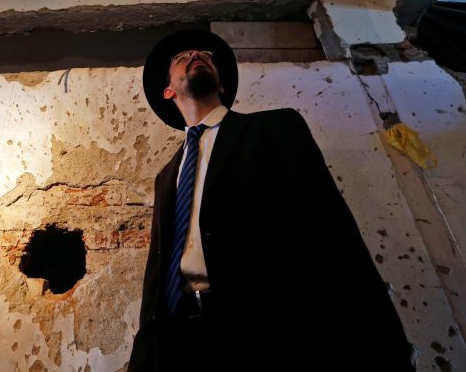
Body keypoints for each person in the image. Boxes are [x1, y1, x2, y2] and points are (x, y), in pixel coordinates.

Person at [128, 29, 414, 371]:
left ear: (221, 86)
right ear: (168, 91)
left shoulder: (275, 128)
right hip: (181, 342)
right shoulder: (165, 178)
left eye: (205, 54)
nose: (197, 55)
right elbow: (157, 274)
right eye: (182, 56)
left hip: (267, 333)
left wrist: (377, 341)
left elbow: (331, 231)